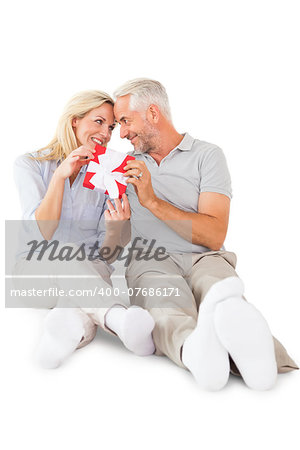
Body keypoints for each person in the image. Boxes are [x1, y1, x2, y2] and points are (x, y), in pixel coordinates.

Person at [113, 78, 298, 390]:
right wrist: (115, 223)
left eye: (126, 121)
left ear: (153, 114)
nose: (122, 132)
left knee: (221, 290)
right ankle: (195, 351)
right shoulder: (123, 165)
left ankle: (248, 345)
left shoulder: (207, 155)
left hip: (205, 257)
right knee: (164, 304)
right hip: (152, 260)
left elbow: (213, 234)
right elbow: (114, 240)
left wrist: (152, 201)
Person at [13, 90, 155, 369]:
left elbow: (108, 254)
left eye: (112, 127)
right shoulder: (30, 164)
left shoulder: (108, 173)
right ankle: (117, 317)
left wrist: (117, 230)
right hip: (34, 273)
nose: (106, 133)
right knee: (64, 252)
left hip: (90, 270)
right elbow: (42, 232)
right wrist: (60, 176)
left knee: (77, 298)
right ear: (75, 121)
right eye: (99, 121)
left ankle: (66, 333)